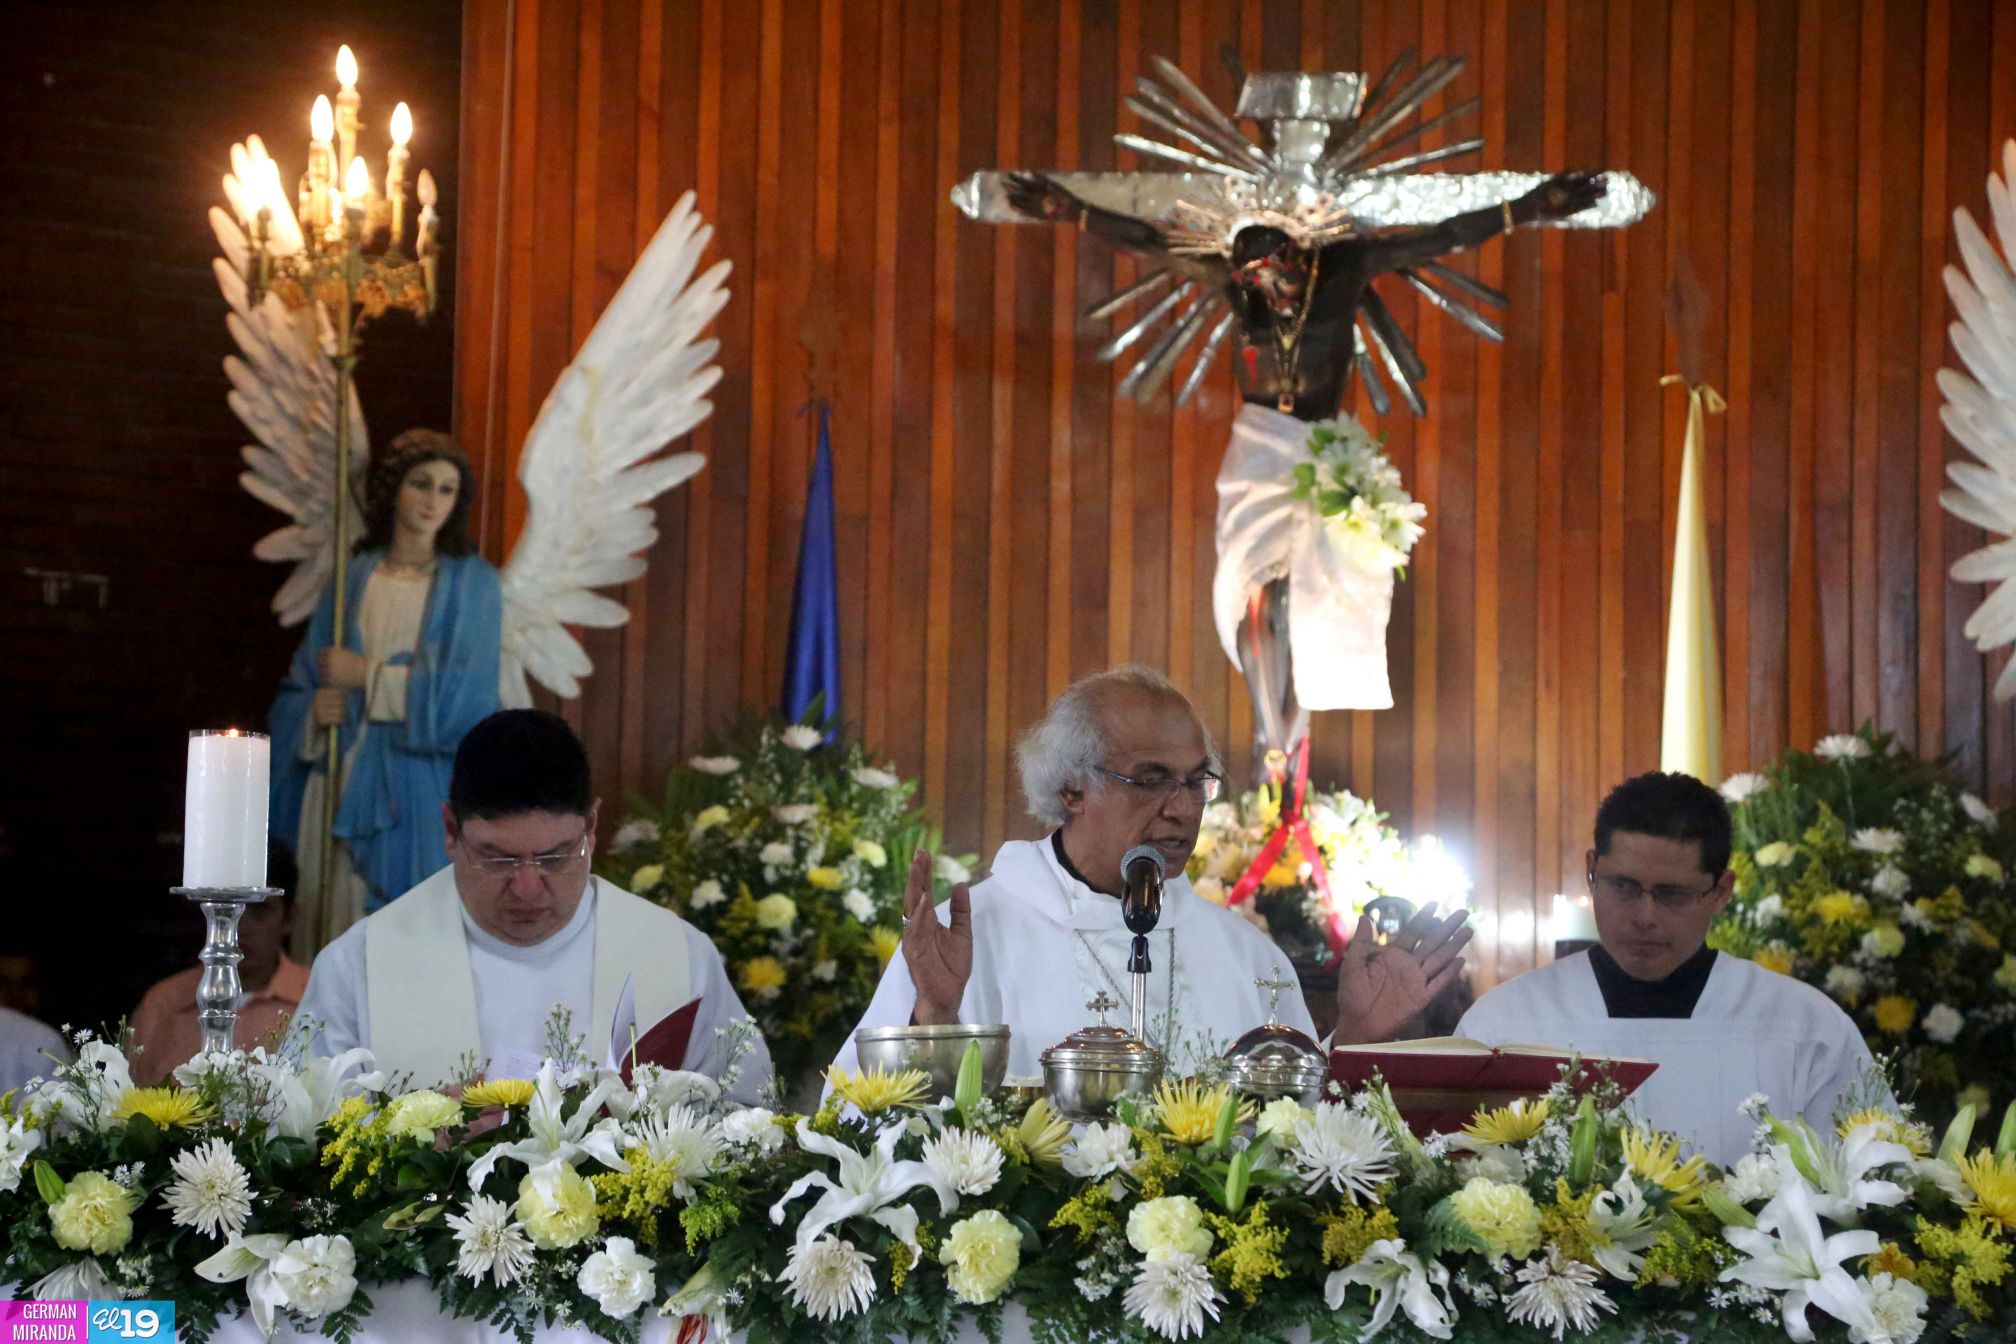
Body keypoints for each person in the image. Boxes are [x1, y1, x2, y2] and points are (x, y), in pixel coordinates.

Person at [832, 665, 1471, 1079]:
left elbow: (1298, 1138)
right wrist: (933, 1017)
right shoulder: (966, 937)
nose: (1182, 808)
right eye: (1151, 780)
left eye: (1198, 782)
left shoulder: (1245, 952)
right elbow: (857, 1129)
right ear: (1070, 788)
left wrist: (1356, 1037)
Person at [296, 709, 772, 1100]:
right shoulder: (360, 964)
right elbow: (301, 1140)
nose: (527, 887)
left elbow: (750, 1121)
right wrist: (408, 1135)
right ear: (449, 831)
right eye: (497, 858)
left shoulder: (678, 956)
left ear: (591, 827)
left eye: (554, 856)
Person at [1457, 772, 1879, 1167]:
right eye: (1623, 886)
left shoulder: (1805, 1027)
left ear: (1721, 891)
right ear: (1592, 871)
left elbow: (1870, 1189)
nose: (1644, 916)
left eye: (1671, 894)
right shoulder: (1503, 1024)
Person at [269, 429, 503, 957]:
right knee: (334, 922)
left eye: (446, 489)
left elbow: (467, 704)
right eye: (421, 484)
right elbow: (303, 682)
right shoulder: (352, 577)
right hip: (341, 773)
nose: (432, 501)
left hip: (420, 788)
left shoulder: (475, 586)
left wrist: (365, 677)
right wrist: (311, 715)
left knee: (408, 934)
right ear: (394, 489)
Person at [127, 843, 308, 1084]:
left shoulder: (314, 998)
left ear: (289, 918)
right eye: (226, 911)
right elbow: (127, 1109)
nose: (241, 927)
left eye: (260, 910)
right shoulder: (164, 1004)